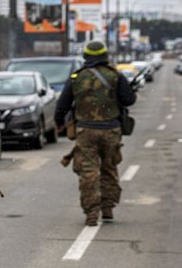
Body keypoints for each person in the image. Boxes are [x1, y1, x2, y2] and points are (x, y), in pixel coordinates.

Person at [53, 40, 136, 226]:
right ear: (105, 55)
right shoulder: (116, 76)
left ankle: (91, 213)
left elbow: (62, 105)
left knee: (88, 173)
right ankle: (108, 208)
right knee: (109, 168)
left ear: (86, 56)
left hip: (86, 131)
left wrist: (59, 123)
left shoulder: (77, 77)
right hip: (111, 130)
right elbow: (129, 100)